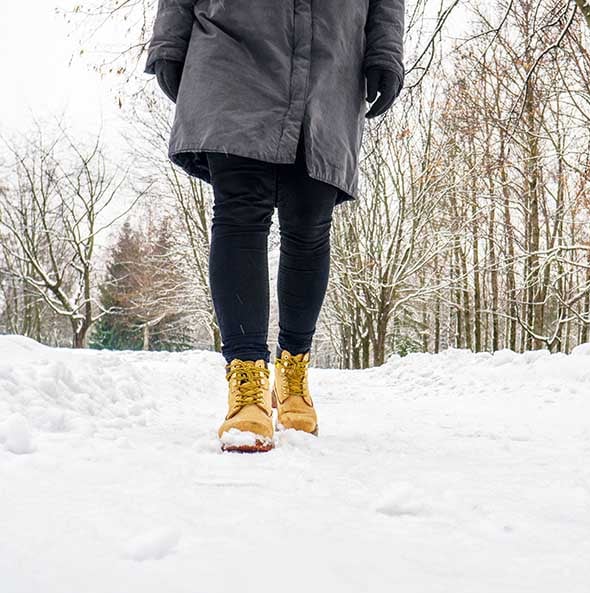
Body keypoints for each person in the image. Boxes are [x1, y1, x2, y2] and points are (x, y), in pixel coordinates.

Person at [144, 0, 405, 452]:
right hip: (232, 44)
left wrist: (385, 48)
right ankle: (246, 382)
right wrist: (170, 37)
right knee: (240, 211)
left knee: (309, 220)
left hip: (331, 52)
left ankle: (293, 371)